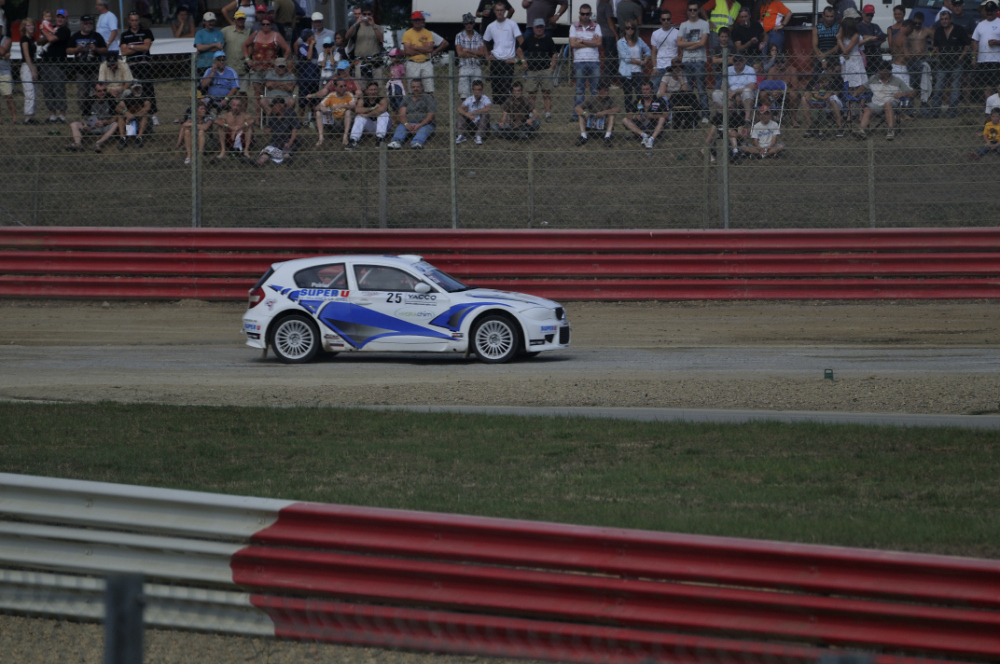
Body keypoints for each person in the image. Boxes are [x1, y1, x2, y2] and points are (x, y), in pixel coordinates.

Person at [855, 60, 914, 139]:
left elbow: (912, 93)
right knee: (867, 108)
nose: (879, 72)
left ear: (888, 71)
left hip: (891, 102)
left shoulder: (897, 81)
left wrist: (902, 94)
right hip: (876, 103)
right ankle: (861, 131)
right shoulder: (873, 78)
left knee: (887, 104)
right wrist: (855, 94)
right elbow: (863, 87)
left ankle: (890, 131)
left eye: (882, 70)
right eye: (879, 70)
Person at [244, 15, 288, 113]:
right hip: (256, 69)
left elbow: (287, 49)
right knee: (258, 94)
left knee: (271, 93)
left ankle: (271, 116)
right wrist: (247, 58)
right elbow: (245, 45)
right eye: (263, 24)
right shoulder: (255, 34)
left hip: (271, 69)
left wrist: (281, 62)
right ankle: (257, 120)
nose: (265, 26)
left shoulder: (276, 35)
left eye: (267, 24)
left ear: (271, 25)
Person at [483, 0, 522, 108]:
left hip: (507, 62)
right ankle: (503, 118)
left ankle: (509, 117)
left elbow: (521, 41)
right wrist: (488, 56)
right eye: (497, 10)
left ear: (505, 11)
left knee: (507, 91)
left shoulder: (512, 24)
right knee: (498, 93)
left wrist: (517, 58)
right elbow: (484, 41)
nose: (499, 12)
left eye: (501, 10)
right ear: (494, 11)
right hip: (495, 62)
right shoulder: (491, 26)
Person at [932, 8, 971, 117]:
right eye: (942, 19)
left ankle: (952, 112)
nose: (944, 21)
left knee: (955, 88)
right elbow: (935, 46)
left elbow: (967, 45)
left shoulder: (959, 30)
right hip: (942, 63)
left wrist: (961, 57)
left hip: (956, 63)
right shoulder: (938, 31)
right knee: (938, 88)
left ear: (951, 19)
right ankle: (935, 111)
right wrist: (936, 55)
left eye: (946, 19)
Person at [119, 11, 157, 123]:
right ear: (128, 21)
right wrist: (137, 47)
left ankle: (153, 114)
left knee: (148, 88)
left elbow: (146, 47)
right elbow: (123, 52)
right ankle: (136, 112)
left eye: (136, 20)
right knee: (133, 89)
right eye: (132, 20)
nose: (134, 22)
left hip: (145, 64)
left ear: (139, 20)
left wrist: (131, 46)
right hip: (131, 65)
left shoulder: (146, 31)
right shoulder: (124, 35)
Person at [68, 15, 109, 116]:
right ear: (81, 24)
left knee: (99, 90)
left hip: (95, 68)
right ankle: (84, 112)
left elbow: (104, 50)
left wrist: (96, 49)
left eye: (90, 23)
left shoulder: (97, 36)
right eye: (86, 23)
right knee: (82, 92)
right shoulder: (76, 36)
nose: (88, 25)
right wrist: (77, 50)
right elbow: (68, 50)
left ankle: (98, 111)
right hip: (81, 69)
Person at [678, 1, 711, 123]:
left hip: (699, 60)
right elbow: (678, 43)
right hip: (686, 60)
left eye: (695, 10)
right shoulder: (683, 25)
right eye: (690, 10)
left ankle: (705, 115)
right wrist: (694, 43)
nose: (693, 12)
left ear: (698, 11)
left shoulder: (704, 24)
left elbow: (702, 43)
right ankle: (692, 115)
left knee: (701, 89)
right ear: (687, 11)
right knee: (689, 91)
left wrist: (686, 46)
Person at [570, 4, 603, 121]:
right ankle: (577, 115)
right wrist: (590, 41)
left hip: (594, 61)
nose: (585, 16)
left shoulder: (597, 26)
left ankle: (596, 114)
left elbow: (598, 43)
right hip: (579, 61)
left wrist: (582, 41)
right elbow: (572, 44)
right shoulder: (573, 26)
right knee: (579, 90)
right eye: (583, 14)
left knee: (595, 90)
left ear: (590, 14)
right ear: (580, 14)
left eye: (587, 14)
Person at [402, 11, 448, 94]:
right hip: (412, 63)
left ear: (422, 20)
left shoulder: (428, 33)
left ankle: (428, 105)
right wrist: (423, 49)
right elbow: (407, 51)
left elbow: (430, 49)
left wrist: (415, 47)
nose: (417, 22)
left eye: (419, 20)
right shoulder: (407, 34)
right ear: (412, 21)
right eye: (415, 20)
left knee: (429, 88)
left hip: (426, 62)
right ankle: (414, 105)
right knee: (413, 88)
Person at [39, 8, 72, 124]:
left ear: (66, 19)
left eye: (62, 17)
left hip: (58, 64)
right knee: (47, 90)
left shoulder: (65, 30)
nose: (59, 19)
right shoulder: (52, 28)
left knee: (59, 89)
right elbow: (39, 41)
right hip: (46, 62)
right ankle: (52, 115)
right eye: (58, 16)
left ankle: (62, 116)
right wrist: (45, 31)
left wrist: (42, 29)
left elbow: (51, 38)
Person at [521, 18, 559, 120]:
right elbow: (520, 50)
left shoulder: (548, 40)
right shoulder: (529, 39)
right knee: (531, 93)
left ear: (544, 28)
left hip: (545, 69)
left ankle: (547, 114)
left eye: (541, 27)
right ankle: (531, 113)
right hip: (532, 70)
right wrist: (523, 61)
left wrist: (552, 68)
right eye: (537, 27)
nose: (539, 29)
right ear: (533, 28)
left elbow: (554, 54)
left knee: (546, 93)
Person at [67, 82, 117, 150]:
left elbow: (115, 117)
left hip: (105, 126)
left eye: (104, 90)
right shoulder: (89, 100)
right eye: (99, 91)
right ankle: (77, 143)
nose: (102, 92)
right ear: (94, 92)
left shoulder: (110, 99)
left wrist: (105, 122)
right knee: (74, 124)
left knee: (115, 124)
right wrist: (85, 125)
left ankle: (98, 143)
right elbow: (83, 117)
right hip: (91, 127)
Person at [388, 78, 436, 149]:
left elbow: (431, 115)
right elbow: (402, 115)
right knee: (401, 127)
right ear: (411, 88)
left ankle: (416, 143)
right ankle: (396, 142)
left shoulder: (428, 98)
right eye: (413, 87)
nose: (415, 89)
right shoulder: (407, 98)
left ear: (422, 87)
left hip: (425, 124)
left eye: (417, 87)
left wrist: (420, 125)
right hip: (409, 123)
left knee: (423, 131)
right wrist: (406, 124)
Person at [712, 53, 756, 124]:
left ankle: (747, 119)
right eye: (735, 61)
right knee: (716, 93)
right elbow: (723, 86)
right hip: (730, 94)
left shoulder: (750, 70)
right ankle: (723, 116)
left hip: (743, 94)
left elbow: (752, 86)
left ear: (744, 61)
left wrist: (736, 92)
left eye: (740, 60)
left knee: (747, 91)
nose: (737, 62)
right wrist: (731, 96)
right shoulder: (728, 69)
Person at [254, 95, 298, 164]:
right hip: (275, 141)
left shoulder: (291, 114)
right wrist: (267, 129)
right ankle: (259, 162)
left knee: (286, 153)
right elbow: (269, 127)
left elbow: (294, 130)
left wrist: (290, 142)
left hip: (287, 140)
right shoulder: (273, 115)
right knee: (266, 153)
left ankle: (286, 161)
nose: (272, 108)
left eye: (273, 106)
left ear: (279, 106)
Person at [622, 81, 667, 148]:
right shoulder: (639, 100)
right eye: (643, 89)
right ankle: (644, 135)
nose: (645, 92)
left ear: (652, 90)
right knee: (624, 120)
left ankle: (651, 139)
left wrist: (653, 116)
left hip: (654, 127)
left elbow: (666, 116)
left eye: (647, 89)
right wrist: (635, 116)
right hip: (641, 126)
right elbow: (629, 114)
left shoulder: (659, 100)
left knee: (662, 118)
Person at [617, 22, 650, 112]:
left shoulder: (639, 40)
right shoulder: (620, 42)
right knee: (628, 94)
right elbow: (626, 58)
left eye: (632, 28)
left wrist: (646, 59)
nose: (630, 30)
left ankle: (639, 110)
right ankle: (629, 112)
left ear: (635, 30)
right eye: (627, 28)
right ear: (624, 29)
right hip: (626, 71)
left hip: (638, 71)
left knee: (639, 93)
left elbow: (648, 50)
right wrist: (640, 62)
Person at [344, 4, 383, 81]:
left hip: (375, 61)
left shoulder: (378, 27)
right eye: (364, 14)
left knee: (377, 87)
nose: (367, 16)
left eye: (369, 14)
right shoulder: (357, 26)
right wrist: (356, 23)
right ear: (361, 14)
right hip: (360, 61)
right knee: (361, 87)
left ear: (372, 14)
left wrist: (373, 25)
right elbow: (347, 36)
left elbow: (381, 39)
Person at [800, 70, 844, 137]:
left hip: (831, 100)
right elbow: (809, 90)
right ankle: (811, 127)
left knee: (832, 101)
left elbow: (836, 93)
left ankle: (840, 128)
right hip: (819, 101)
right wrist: (810, 94)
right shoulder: (818, 77)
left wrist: (828, 94)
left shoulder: (838, 78)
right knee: (803, 99)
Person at [971, 0, 1000, 103]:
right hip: (983, 60)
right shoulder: (980, 25)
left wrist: (997, 42)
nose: (989, 13)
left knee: (998, 86)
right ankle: (989, 108)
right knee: (986, 86)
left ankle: (998, 108)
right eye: (987, 10)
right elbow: (975, 41)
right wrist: (974, 57)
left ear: (996, 11)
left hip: (997, 60)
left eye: (991, 10)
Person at [574, 80, 619, 146]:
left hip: (604, 124)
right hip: (592, 123)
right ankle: (583, 136)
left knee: (612, 114)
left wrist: (604, 112)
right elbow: (577, 108)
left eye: (607, 90)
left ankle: (607, 137)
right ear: (598, 91)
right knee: (580, 115)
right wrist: (585, 113)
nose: (606, 92)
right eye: (604, 91)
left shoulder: (610, 99)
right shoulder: (592, 99)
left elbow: (617, 109)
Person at [906, 11, 934, 112]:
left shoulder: (927, 31)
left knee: (924, 83)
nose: (917, 25)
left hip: (922, 59)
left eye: (919, 23)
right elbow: (903, 42)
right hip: (911, 60)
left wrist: (930, 53)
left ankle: (923, 105)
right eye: (915, 23)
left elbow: (937, 42)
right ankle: (910, 107)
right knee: (910, 84)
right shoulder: (909, 31)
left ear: (922, 21)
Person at [348, 80, 389, 148]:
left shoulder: (383, 99)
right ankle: (353, 140)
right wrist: (372, 108)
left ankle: (379, 139)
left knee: (384, 114)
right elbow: (357, 110)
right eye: (371, 90)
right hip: (370, 126)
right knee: (359, 117)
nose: (373, 92)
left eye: (375, 90)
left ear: (378, 90)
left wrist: (367, 114)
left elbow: (382, 109)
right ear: (367, 91)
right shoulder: (363, 99)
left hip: (384, 126)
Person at [212, 93, 254, 161]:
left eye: (238, 106)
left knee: (249, 128)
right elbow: (216, 121)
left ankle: (246, 151)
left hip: (241, 138)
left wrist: (240, 127)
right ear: (231, 105)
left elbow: (251, 120)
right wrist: (230, 127)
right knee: (220, 127)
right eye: (234, 105)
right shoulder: (226, 115)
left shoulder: (244, 115)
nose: (235, 107)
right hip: (230, 138)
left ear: (240, 106)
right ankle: (223, 150)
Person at [314, 78, 354, 147]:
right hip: (333, 121)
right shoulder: (331, 95)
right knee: (318, 112)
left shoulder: (349, 95)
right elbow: (317, 107)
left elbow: (353, 106)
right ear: (335, 87)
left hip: (343, 121)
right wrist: (322, 107)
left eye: (345, 85)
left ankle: (345, 136)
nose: (344, 88)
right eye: (341, 86)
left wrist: (343, 105)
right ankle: (321, 138)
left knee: (348, 111)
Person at [456, 13, 487, 100]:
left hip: (476, 66)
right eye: (466, 23)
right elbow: (460, 53)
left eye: (470, 23)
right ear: (464, 24)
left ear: (474, 23)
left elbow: (481, 53)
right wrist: (474, 54)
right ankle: (465, 112)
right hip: (464, 66)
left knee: (477, 93)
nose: (469, 25)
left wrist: (467, 50)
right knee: (464, 94)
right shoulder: (459, 36)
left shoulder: (478, 36)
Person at [114, 82, 152, 149]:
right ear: (131, 89)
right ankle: (123, 138)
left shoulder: (145, 97)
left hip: (143, 124)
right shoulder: (128, 98)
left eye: (138, 88)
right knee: (120, 116)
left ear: (141, 88)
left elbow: (147, 108)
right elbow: (118, 108)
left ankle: (139, 137)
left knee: (145, 115)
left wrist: (133, 115)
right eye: (135, 88)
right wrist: (126, 113)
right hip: (130, 124)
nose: (137, 90)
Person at [177, 95, 214, 163]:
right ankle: (189, 155)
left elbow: (205, 127)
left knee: (201, 132)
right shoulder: (192, 117)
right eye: (201, 109)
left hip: (207, 141)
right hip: (194, 139)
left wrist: (192, 124)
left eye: (204, 109)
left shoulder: (209, 118)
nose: (204, 110)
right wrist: (197, 125)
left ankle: (199, 155)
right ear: (196, 110)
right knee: (187, 131)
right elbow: (185, 125)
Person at [649, 9, 679, 93]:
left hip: (672, 67)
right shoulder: (655, 33)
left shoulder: (677, 33)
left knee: (672, 90)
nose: (666, 21)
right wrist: (654, 67)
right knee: (654, 90)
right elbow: (653, 52)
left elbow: (682, 51)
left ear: (671, 19)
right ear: (660, 20)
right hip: (659, 66)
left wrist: (678, 64)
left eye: (668, 19)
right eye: (663, 19)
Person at [221, 10, 250, 91]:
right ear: (234, 20)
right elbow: (218, 43)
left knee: (243, 92)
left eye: (242, 19)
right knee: (228, 91)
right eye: (238, 19)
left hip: (243, 68)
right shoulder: (226, 31)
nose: (241, 21)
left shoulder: (249, 32)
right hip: (228, 67)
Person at [456, 79, 492, 144]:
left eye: (479, 90)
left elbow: (488, 108)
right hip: (471, 124)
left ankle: (479, 136)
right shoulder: (469, 99)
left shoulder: (485, 98)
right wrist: (467, 114)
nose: (477, 92)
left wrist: (474, 112)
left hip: (482, 124)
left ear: (482, 90)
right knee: (462, 115)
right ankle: (460, 136)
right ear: (472, 90)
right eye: (476, 90)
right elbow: (459, 109)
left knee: (486, 114)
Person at [839, 17, 867, 96]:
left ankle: (858, 98)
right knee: (848, 83)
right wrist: (840, 37)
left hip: (854, 59)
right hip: (846, 60)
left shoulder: (856, 36)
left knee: (857, 82)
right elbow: (842, 50)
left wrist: (839, 40)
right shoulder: (843, 36)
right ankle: (849, 101)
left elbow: (846, 51)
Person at [19, 18, 39, 124]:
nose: (31, 27)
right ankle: (27, 117)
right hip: (27, 66)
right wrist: (32, 70)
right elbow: (26, 55)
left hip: (33, 65)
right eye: (28, 25)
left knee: (35, 92)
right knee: (29, 92)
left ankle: (31, 115)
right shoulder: (24, 39)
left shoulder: (31, 39)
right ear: (24, 28)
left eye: (32, 25)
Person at [858, 5, 886, 74]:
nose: (869, 17)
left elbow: (881, 37)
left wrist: (878, 39)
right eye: (868, 14)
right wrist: (871, 38)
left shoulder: (875, 26)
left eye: (871, 15)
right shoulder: (858, 26)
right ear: (863, 14)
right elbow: (862, 37)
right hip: (865, 56)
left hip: (876, 56)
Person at [813, 6, 840, 72]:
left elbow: (839, 45)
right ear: (823, 16)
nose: (829, 19)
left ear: (835, 16)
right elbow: (814, 46)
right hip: (820, 56)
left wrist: (825, 54)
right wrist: (823, 60)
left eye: (831, 16)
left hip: (835, 56)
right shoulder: (817, 28)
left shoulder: (839, 27)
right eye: (827, 16)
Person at [596, 0, 617, 79]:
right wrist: (616, 34)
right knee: (610, 58)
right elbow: (610, 21)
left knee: (607, 57)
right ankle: (607, 79)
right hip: (609, 34)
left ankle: (606, 78)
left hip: (603, 33)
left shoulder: (599, 5)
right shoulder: (607, 6)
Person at [0, 31, 14, 124]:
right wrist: (3, 56)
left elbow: (2, 51)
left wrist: (3, 55)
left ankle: (14, 117)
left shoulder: (7, 39)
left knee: (8, 95)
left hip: (4, 71)